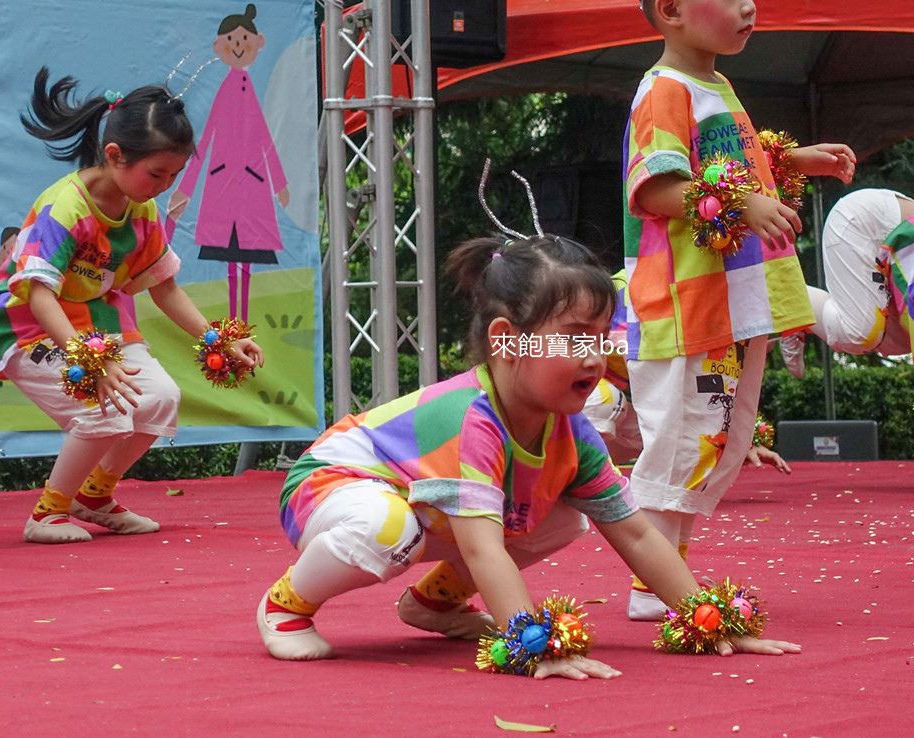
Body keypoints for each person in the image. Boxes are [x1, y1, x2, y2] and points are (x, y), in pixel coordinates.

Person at [258, 231, 800, 678]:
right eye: (573, 338)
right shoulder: (473, 418)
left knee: (565, 519)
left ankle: (434, 605)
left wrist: (708, 619)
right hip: (332, 481)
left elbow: (635, 533)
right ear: (508, 341)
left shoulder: (570, 427)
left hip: (410, 499)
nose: (594, 356)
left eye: (600, 338)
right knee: (390, 527)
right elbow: (484, 551)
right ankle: (285, 606)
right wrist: (533, 646)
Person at [622, 0, 856, 619]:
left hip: (733, 301)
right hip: (687, 304)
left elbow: (725, 165)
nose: (748, 6)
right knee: (680, 440)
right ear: (671, 10)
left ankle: (665, 578)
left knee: (714, 440)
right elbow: (657, 187)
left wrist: (791, 161)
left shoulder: (714, 83)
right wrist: (745, 202)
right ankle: (654, 584)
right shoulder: (663, 89)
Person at [0, 68, 264, 544]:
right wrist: (89, 363)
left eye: (174, 175)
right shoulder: (66, 208)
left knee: (160, 398)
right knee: (103, 410)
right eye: (157, 173)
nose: (164, 186)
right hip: (27, 323)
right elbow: (40, 293)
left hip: (95, 321)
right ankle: (47, 515)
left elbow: (164, 286)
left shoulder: (142, 210)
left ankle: (94, 496)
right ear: (114, 155)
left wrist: (221, 339)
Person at [583, 270, 791, 472]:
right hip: (579, 399)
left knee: (679, 431)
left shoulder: (714, 303)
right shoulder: (632, 289)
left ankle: (595, 478)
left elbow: (710, 394)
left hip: (618, 403)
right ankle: (581, 479)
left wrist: (745, 439)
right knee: (605, 401)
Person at [167, 3, 289, 324]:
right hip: (226, 185)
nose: (238, 47)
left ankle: (241, 322)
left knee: (246, 256)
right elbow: (205, 139)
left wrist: (279, 182)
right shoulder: (226, 88)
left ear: (257, 43)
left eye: (244, 41)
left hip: (251, 186)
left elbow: (264, 138)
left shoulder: (247, 88)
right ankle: (233, 323)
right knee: (233, 257)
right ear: (220, 47)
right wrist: (186, 187)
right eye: (232, 41)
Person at [781, 190, 914, 366]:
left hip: (885, 230)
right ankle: (782, 294)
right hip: (866, 224)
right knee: (859, 334)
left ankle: (802, 315)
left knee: (896, 341)